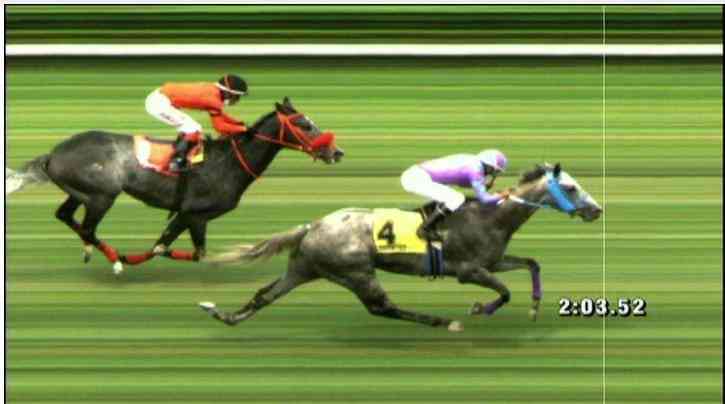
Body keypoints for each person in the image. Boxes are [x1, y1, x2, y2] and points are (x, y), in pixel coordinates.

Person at [145, 74, 248, 171]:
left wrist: (237, 123)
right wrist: (243, 129)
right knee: (193, 128)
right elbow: (219, 127)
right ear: (227, 92)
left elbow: (221, 116)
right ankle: (176, 162)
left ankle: (180, 153)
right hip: (158, 104)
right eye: (236, 96)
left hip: (161, 97)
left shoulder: (213, 90)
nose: (236, 99)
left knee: (191, 128)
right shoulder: (213, 100)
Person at [400, 149, 509, 240]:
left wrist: (483, 186)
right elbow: (484, 199)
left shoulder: (473, 161)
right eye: (495, 171)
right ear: (489, 165)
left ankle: (433, 225)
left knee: (451, 198)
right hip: (416, 178)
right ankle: (424, 229)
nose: (493, 174)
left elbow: (462, 181)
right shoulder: (474, 169)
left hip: (416, 174)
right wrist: (502, 196)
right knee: (456, 199)